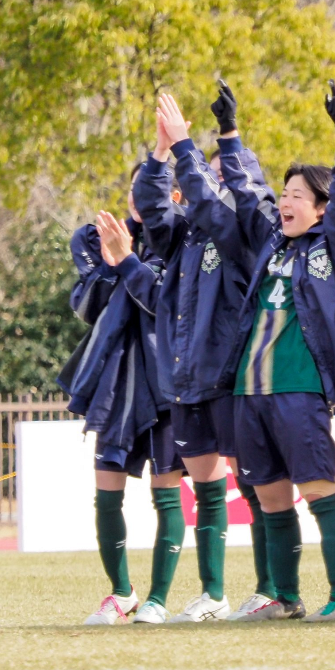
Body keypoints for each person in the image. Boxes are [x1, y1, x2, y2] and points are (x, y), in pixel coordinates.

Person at [169, 85, 335, 622]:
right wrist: (225, 134)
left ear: (320, 208)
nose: (285, 201)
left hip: (297, 391)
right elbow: (240, 194)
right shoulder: (266, 245)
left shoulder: (331, 245)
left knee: (317, 491)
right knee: (268, 499)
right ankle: (286, 598)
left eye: (296, 194)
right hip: (248, 393)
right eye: (284, 192)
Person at [131, 86, 272, 622]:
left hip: (231, 377)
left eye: (219, 175)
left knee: (255, 486)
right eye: (204, 174)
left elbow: (215, 199)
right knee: (209, 492)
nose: (207, 182)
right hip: (185, 380)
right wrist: (163, 153)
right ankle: (212, 593)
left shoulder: (242, 234)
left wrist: (191, 147)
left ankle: (269, 588)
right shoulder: (182, 235)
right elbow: (150, 208)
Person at [65, 204, 183, 625]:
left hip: (166, 386)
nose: (139, 200)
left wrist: (129, 261)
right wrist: (113, 262)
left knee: (165, 493)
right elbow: (85, 305)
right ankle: (121, 592)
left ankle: (158, 597)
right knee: (106, 494)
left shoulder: (183, 240)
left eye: (150, 192)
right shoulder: (100, 240)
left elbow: (167, 304)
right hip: (115, 385)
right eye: (135, 191)